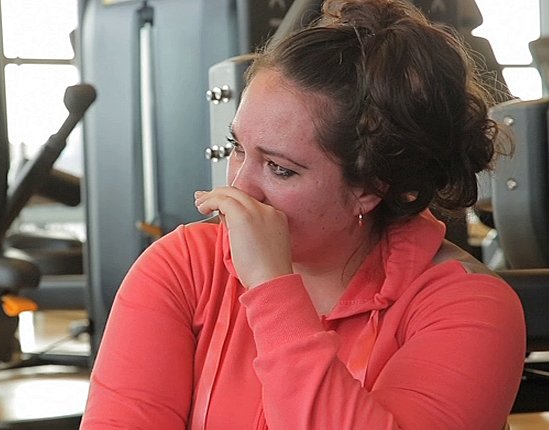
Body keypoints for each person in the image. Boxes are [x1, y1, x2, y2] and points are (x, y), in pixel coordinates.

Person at [80, 0, 526, 428]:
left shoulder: (467, 307)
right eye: (238, 148)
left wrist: (271, 290)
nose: (239, 189)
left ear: (371, 188)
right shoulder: (184, 266)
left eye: (280, 168)